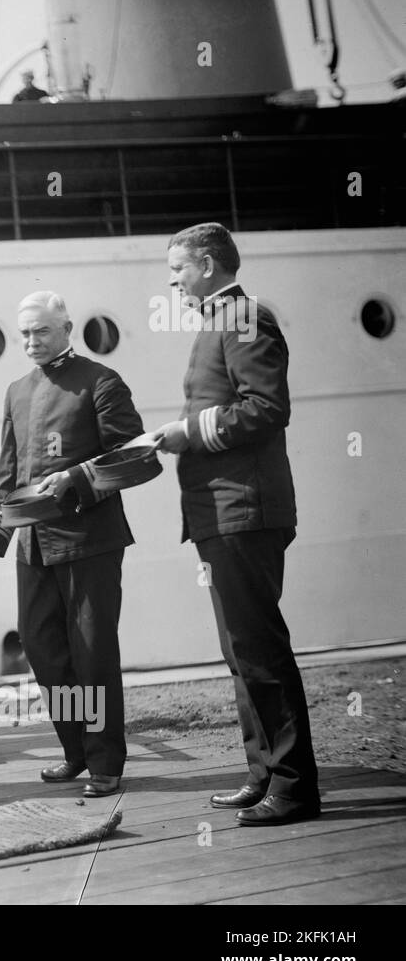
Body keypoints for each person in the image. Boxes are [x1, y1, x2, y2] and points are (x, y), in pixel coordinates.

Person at [150, 222, 319, 826]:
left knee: (259, 648)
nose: (172, 282)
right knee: (238, 649)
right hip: (221, 512)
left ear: (209, 263)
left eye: (179, 270)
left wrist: (184, 433)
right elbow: (228, 406)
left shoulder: (244, 317)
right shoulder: (219, 322)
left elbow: (268, 408)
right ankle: (264, 773)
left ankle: (294, 787)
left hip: (244, 509)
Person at [0, 291, 144, 798]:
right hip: (33, 546)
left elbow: (136, 459)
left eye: (41, 331)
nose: (30, 342)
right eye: (24, 333)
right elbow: (10, 474)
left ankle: (105, 762)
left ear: (66, 328)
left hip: (91, 540)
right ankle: (75, 752)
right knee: (44, 650)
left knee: (91, 654)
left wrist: (76, 479)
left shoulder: (101, 382)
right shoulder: (16, 391)